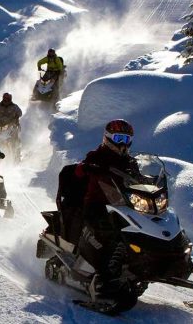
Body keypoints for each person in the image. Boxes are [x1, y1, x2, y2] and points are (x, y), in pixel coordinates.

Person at [73, 119, 139, 281]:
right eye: (119, 139)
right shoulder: (97, 155)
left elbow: (138, 178)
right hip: (98, 203)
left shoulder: (131, 162)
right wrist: (88, 167)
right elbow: (80, 170)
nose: (123, 143)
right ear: (108, 138)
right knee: (107, 232)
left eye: (126, 139)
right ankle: (97, 268)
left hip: (125, 205)